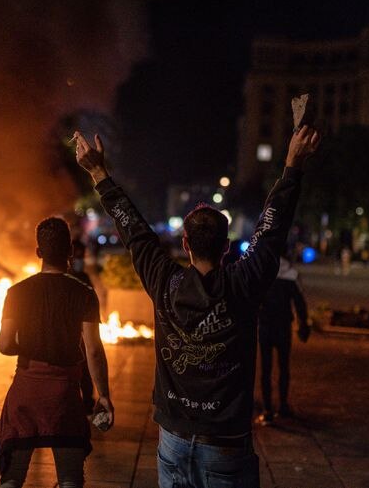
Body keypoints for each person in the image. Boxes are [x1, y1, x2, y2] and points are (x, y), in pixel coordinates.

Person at [74, 125, 320, 488]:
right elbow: (271, 232)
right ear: (225, 246)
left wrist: (99, 174)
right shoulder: (243, 283)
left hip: (173, 440)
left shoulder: (163, 279)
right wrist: (292, 165)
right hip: (225, 446)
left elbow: (135, 232)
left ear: (185, 243)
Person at [0, 218, 113, 488]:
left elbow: (3, 345)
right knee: (70, 479)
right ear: (70, 251)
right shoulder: (84, 293)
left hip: (26, 388)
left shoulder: (16, 292)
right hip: (64, 393)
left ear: (38, 252)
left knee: (12, 477)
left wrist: (26, 347)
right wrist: (103, 395)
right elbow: (93, 350)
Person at [256, 253, 311, 424]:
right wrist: (303, 324)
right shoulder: (291, 274)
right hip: (283, 327)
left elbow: (252, 299)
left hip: (265, 327)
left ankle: (267, 409)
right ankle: (284, 405)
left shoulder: (263, 272)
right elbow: (299, 303)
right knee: (284, 367)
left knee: (266, 369)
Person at [71, 239, 97, 414]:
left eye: (83, 255)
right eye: (78, 255)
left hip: (81, 332)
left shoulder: (84, 277)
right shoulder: (69, 278)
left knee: (85, 371)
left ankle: (87, 403)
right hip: (72, 333)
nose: (81, 259)